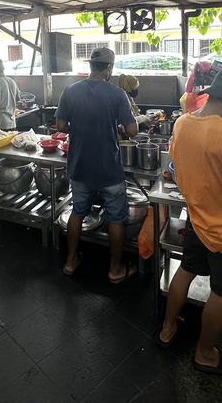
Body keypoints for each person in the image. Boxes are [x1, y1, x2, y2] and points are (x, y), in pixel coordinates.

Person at [157, 67, 222, 377]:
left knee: (186, 271)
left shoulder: (182, 123)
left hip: (197, 219)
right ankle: (205, 354)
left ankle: (167, 328)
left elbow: (177, 167)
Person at [56, 47, 139, 282]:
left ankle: (71, 262)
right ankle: (114, 269)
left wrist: (81, 128)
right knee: (115, 217)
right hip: (108, 168)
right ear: (109, 68)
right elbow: (132, 131)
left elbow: (61, 126)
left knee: (77, 212)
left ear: (91, 65)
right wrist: (120, 127)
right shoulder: (117, 94)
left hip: (80, 165)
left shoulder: (70, 91)